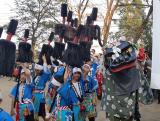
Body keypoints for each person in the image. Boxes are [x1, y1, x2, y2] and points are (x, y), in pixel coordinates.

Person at [32, 55, 51, 121]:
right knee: (35, 113)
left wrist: (45, 61)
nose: (36, 71)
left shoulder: (44, 76)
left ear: (41, 70)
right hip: (35, 96)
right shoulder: (35, 76)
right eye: (36, 70)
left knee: (43, 114)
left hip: (41, 97)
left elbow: (47, 72)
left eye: (38, 70)